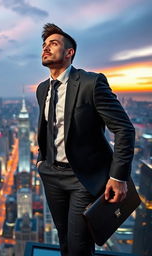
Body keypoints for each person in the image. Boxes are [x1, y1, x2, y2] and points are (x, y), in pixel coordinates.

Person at [36, 23, 135, 256]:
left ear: (69, 52)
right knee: (64, 241)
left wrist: (117, 176)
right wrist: (42, 160)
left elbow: (124, 129)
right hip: (51, 175)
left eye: (53, 43)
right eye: (44, 45)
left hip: (82, 178)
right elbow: (49, 129)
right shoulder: (42, 89)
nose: (46, 48)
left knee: (80, 245)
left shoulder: (91, 83)